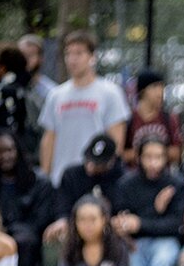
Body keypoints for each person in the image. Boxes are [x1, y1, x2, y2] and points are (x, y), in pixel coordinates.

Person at [110, 134, 184, 266]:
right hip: (134, 243)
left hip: (165, 241)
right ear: (139, 158)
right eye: (148, 157)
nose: (153, 163)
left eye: (158, 157)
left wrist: (141, 223)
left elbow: (175, 225)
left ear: (165, 158)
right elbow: (119, 217)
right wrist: (153, 212)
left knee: (163, 258)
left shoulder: (175, 183)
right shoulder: (126, 184)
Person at [38, 29, 130, 187]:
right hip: (62, 179)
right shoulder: (55, 95)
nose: (73, 60)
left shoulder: (110, 92)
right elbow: (49, 138)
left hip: (95, 178)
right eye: (69, 54)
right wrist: (46, 175)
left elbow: (116, 141)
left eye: (79, 53)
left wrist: (105, 169)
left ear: (92, 57)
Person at [0, 129, 54, 266]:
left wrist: (8, 232)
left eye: (9, 150)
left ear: (18, 150)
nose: (4, 156)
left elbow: (40, 220)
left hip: (27, 236)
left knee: (22, 241)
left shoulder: (39, 182)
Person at [123, 69, 183, 168]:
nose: (160, 92)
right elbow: (121, 154)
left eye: (162, 87)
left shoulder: (168, 118)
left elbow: (177, 153)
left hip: (162, 178)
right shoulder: (129, 119)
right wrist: (146, 153)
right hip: (135, 177)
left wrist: (153, 153)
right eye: (155, 86)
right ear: (142, 90)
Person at [17, 34, 58, 163]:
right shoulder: (3, 87)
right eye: (21, 55)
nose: (25, 60)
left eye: (30, 55)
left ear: (41, 59)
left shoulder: (51, 92)